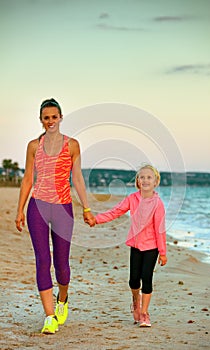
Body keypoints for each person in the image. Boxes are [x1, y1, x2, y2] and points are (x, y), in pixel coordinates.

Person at [15, 98, 95, 334]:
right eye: (46, 117)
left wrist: (87, 208)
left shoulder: (72, 145)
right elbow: (28, 178)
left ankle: (63, 299)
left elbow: (77, 178)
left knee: (61, 264)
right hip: (37, 207)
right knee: (42, 260)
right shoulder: (33, 146)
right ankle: (49, 316)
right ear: (41, 120)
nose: (50, 121)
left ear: (61, 117)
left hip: (63, 208)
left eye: (54, 116)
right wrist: (20, 209)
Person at [91, 164, 167, 327]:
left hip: (152, 247)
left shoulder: (158, 204)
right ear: (137, 181)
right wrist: (96, 219)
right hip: (135, 245)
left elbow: (160, 229)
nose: (145, 180)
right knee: (134, 281)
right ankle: (135, 300)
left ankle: (145, 314)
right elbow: (115, 211)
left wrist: (163, 252)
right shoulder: (132, 199)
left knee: (147, 279)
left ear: (156, 182)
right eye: (142, 177)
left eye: (149, 177)